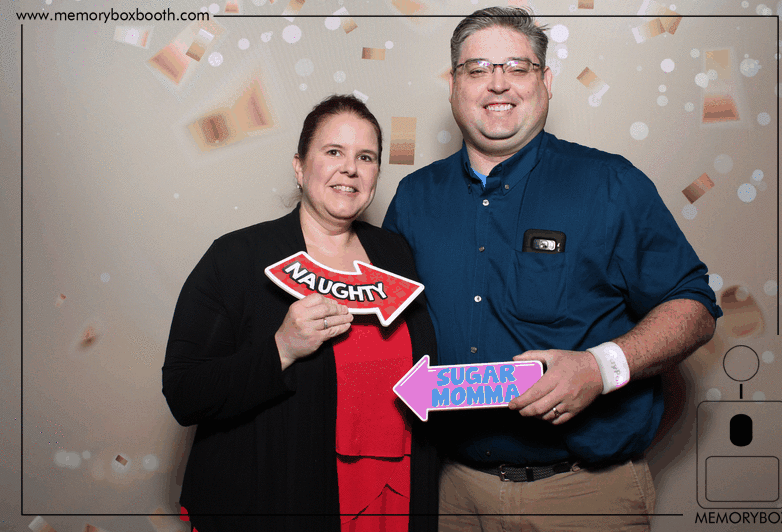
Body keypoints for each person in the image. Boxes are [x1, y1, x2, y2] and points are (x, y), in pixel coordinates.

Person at [383, 7, 722, 531]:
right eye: (477, 69)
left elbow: (694, 309)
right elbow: (385, 331)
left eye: (517, 68)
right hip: (450, 492)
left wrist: (599, 367)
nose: (498, 84)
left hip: (582, 494)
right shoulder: (413, 198)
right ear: (453, 85)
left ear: (545, 82)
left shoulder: (610, 184)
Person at [163, 94, 439, 532]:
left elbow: (420, 372)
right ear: (299, 166)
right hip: (279, 497)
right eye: (333, 152)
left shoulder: (395, 254)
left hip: (389, 494)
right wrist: (281, 349)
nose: (350, 168)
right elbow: (184, 393)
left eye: (365, 157)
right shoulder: (236, 257)